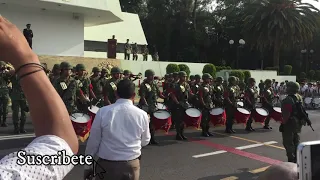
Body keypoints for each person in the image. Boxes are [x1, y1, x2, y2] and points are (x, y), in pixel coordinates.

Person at [0, 16, 78, 178]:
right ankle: (16, 127)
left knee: (22, 115)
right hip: (16, 96)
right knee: (16, 113)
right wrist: (24, 58)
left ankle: (21, 127)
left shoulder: (73, 81)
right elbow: (61, 145)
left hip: (59, 105)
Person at [85, 79, 150, 180]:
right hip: (131, 164)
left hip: (107, 164)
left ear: (115, 93)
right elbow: (145, 141)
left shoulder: (103, 112)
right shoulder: (142, 114)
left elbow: (93, 141)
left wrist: (87, 165)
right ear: (133, 95)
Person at [281, 81, 305, 163]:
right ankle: (298, 158)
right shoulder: (299, 97)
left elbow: (286, 114)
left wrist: (283, 123)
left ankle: (291, 160)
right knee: (296, 140)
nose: (286, 88)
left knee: (288, 142)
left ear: (290, 89)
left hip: (290, 124)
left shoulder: (287, 100)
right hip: (298, 123)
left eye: (287, 87)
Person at [138, 69, 165, 145]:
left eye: (153, 75)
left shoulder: (154, 84)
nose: (152, 77)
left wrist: (165, 97)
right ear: (147, 76)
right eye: (151, 75)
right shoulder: (144, 85)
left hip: (153, 106)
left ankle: (152, 138)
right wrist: (146, 105)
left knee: (153, 123)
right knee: (146, 123)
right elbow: (142, 97)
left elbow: (159, 93)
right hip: (146, 106)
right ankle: (145, 139)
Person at [170, 71, 192, 140]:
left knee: (183, 120)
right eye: (183, 76)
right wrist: (177, 103)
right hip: (178, 104)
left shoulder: (186, 85)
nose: (185, 78)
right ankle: (178, 134)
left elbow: (189, 93)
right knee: (178, 120)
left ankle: (182, 133)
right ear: (179, 77)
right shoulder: (176, 85)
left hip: (185, 104)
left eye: (185, 76)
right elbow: (172, 95)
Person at [0, 61, 10, 127]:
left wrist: (6, 71)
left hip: (5, 92)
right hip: (2, 92)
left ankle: (4, 121)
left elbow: (9, 80)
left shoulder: (6, 73)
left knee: (5, 108)